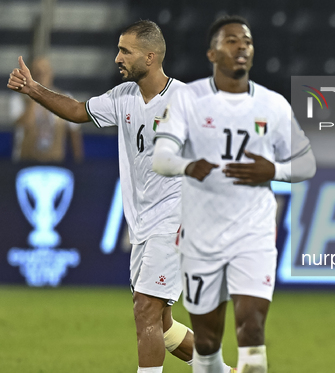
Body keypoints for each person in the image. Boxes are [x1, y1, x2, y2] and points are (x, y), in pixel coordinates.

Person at [7, 20, 235, 373]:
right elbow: (78, 112)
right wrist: (34, 90)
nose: (117, 58)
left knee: (144, 307)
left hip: (176, 220)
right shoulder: (122, 98)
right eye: (117, 49)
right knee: (161, 325)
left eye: (125, 51)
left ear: (150, 56)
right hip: (143, 224)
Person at [152, 15, 316, 373]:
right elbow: (161, 157)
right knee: (208, 344)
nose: (241, 46)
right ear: (212, 53)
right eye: (231, 41)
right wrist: (187, 165)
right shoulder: (188, 100)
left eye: (247, 41)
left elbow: (306, 164)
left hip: (253, 236)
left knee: (252, 332)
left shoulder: (272, 106)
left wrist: (274, 171)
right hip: (201, 239)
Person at [10, 56, 84, 163]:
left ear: (51, 74)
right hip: (25, 162)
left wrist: (79, 165)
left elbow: (74, 133)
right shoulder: (18, 99)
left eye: (45, 72)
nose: (41, 76)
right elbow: (25, 124)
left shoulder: (65, 98)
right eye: (37, 73)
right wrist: (34, 94)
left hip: (55, 162)